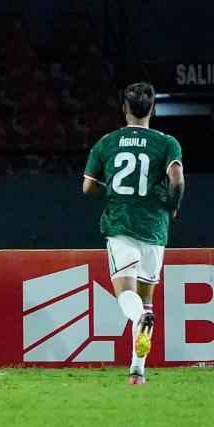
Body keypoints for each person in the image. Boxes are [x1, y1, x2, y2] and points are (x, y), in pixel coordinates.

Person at [82, 82, 185, 385]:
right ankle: (137, 371)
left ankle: (140, 319)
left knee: (125, 293)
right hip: (155, 227)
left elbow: (88, 186)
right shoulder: (167, 143)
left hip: (121, 224)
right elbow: (177, 181)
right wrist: (173, 206)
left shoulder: (107, 142)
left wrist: (111, 191)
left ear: (124, 109)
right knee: (146, 297)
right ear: (152, 109)